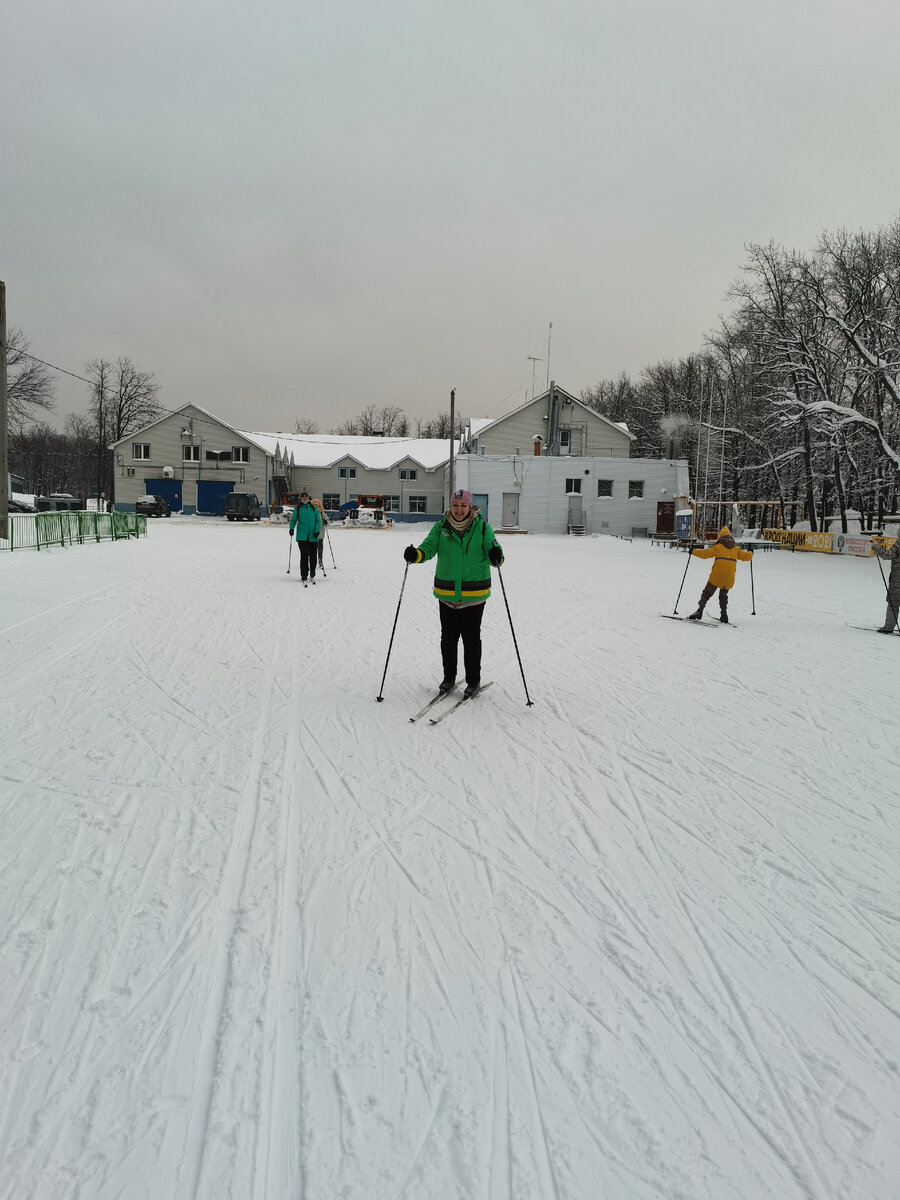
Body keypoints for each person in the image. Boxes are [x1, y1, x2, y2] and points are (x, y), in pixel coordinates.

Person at [403, 489, 504, 697]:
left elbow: (496, 556)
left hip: (474, 596)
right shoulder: (440, 528)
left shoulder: (483, 529)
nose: (459, 510)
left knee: (471, 639)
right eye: (455, 505)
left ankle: (473, 681)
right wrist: (416, 555)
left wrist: (496, 556)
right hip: (446, 594)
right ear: (450, 506)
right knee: (448, 639)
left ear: (470, 507)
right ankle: (448, 678)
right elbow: (428, 548)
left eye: (463, 505)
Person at [688, 525, 753, 622]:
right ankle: (724, 614)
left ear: (720, 537)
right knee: (723, 595)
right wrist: (751, 552)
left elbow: (705, 554)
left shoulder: (718, 547)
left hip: (717, 575)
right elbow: (746, 557)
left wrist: (693, 551)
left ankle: (699, 611)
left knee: (707, 593)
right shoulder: (736, 549)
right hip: (729, 577)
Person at [289, 491, 321, 584]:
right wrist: (291, 528)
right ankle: (304, 575)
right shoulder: (298, 508)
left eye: (306, 497)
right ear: (300, 499)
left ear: (308, 498)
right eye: (303, 498)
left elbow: (317, 520)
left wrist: (317, 530)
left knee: (313, 556)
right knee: (304, 556)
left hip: (313, 536)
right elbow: (293, 520)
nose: (304, 499)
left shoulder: (313, 507)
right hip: (302, 536)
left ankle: (312, 573)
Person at [872, 535, 900, 632]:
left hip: (897, 581)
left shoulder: (898, 545)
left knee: (893, 604)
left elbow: (887, 555)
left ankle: (888, 627)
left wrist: (876, 547)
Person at [310, 496, 329, 571]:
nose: (315, 506)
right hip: (311, 534)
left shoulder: (321, 513)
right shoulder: (310, 512)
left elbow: (328, 522)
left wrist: (325, 522)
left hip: (320, 534)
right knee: (311, 548)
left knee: (320, 548)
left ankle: (320, 560)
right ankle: (311, 560)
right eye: (314, 505)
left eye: (317, 505)